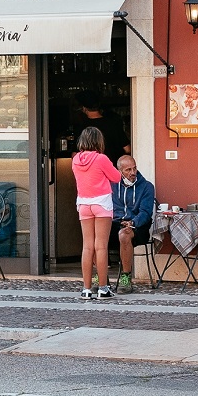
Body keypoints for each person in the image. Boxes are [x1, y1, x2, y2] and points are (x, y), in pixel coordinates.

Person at [69, 122, 121, 300]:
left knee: (87, 246)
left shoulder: (75, 159)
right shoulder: (101, 159)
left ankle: (86, 289)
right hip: (102, 203)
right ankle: (103, 288)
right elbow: (116, 177)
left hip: (83, 204)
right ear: (98, 141)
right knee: (101, 247)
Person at [111, 148, 155, 292]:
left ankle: (125, 278)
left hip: (139, 226)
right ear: (120, 172)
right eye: (128, 170)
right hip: (116, 223)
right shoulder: (112, 186)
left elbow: (146, 212)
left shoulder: (147, 187)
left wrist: (133, 222)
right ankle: (99, 278)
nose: (133, 172)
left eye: (134, 168)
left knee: (124, 234)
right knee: (93, 235)